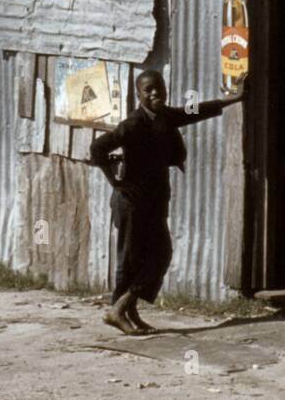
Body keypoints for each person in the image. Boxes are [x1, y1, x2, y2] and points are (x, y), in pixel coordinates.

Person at [89, 69, 244, 334]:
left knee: (158, 254)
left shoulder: (165, 117)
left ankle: (126, 311)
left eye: (158, 87)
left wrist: (236, 98)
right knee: (134, 259)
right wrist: (116, 181)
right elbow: (97, 149)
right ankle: (119, 310)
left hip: (154, 200)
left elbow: (197, 111)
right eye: (148, 90)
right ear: (138, 95)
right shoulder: (133, 124)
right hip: (132, 203)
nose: (155, 93)